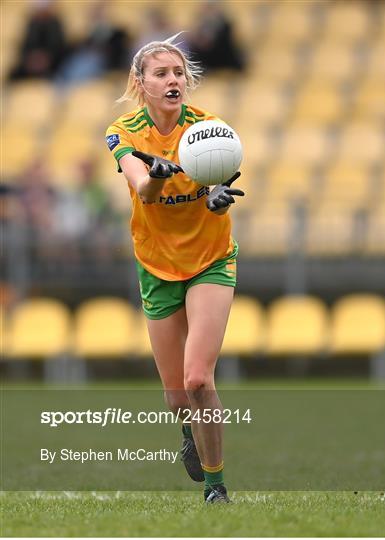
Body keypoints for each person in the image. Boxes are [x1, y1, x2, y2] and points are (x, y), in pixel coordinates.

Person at [105, 33, 244, 504]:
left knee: (198, 379)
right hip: (157, 264)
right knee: (176, 398)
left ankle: (215, 486)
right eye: (161, 73)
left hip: (210, 259)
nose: (173, 80)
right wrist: (156, 180)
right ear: (141, 83)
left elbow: (217, 197)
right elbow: (141, 188)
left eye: (179, 73)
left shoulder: (210, 129)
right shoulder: (123, 132)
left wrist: (220, 201)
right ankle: (188, 431)